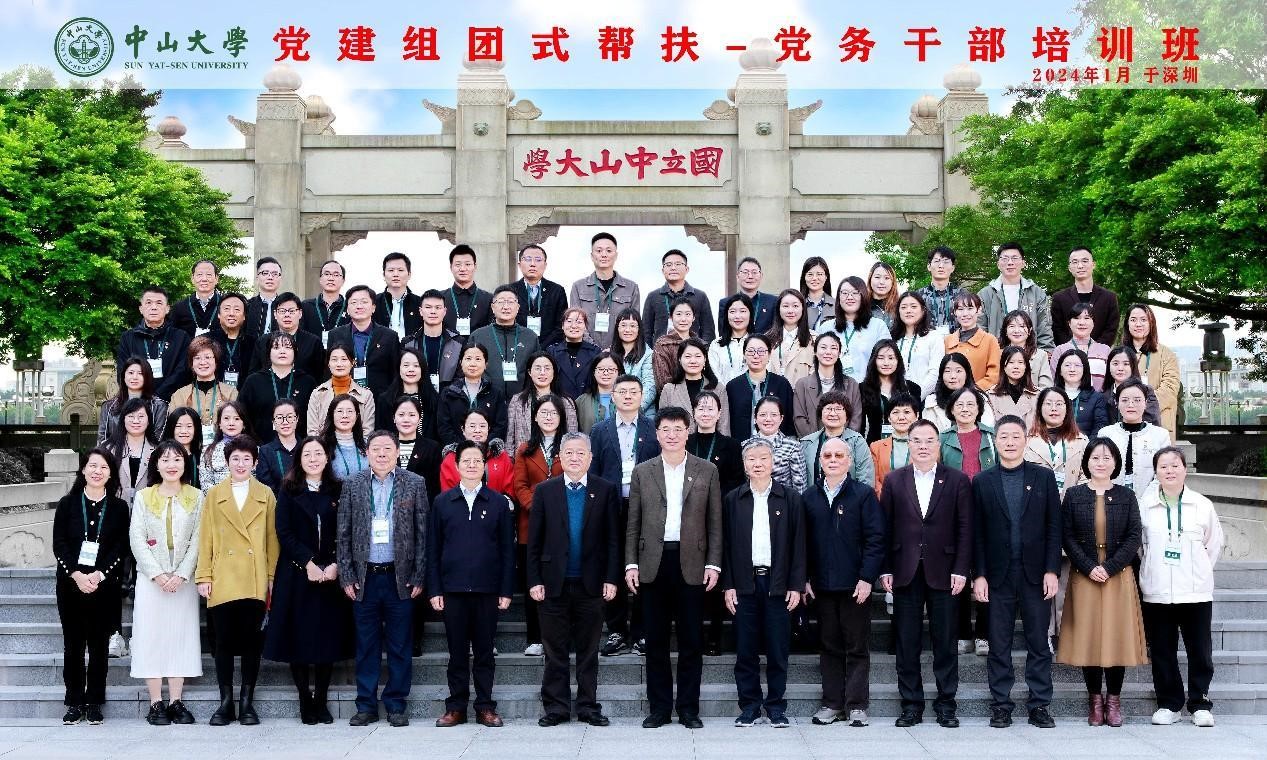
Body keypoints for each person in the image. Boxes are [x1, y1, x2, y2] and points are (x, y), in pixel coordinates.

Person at [626, 407, 723, 729]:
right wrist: (630, 563)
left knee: (691, 640)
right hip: (653, 562)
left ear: (687, 432)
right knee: (655, 641)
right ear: (657, 434)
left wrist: (713, 563)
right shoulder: (643, 471)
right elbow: (633, 522)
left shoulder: (706, 470)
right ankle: (659, 709)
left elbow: (715, 522)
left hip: (692, 562)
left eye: (678, 429)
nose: (672, 435)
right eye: (665, 429)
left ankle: (688, 709)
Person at [879, 419, 973, 729]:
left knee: (945, 642)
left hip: (945, 571)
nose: (923, 446)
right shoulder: (894, 480)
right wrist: (885, 568)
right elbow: (885, 528)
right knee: (907, 642)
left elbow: (965, 529)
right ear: (908, 444)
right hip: (905, 570)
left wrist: (961, 569)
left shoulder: (957, 480)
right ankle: (911, 705)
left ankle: (946, 704)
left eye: (929, 440)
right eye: (916, 440)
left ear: (938, 445)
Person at [971, 416, 1062, 729]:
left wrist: (1052, 570)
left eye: (1015, 436)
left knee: (1038, 642)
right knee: (998, 644)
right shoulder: (982, 481)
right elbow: (977, 533)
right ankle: (1001, 705)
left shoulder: (1043, 477)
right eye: (1004, 436)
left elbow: (1054, 527)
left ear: (1026, 440)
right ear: (995, 441)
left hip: (1036, 574)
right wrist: (979, 574)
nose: (1009, 442)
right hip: (997, 575)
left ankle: (1039, 705)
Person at [527, 432, 621, 727]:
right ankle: (556, 708)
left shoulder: (605, 490)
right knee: (554, 651)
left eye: (581, 453)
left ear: (590, 458)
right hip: (553, 583)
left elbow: (613, 540)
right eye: (569, 453)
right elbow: (534, 541)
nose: (575, 458)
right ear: (560, 457)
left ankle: (588, 707)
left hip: (591, 584)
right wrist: (534, 580)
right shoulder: (545, 490)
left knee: (588, 651)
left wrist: (612, 578)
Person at [338, 430, 430, 728]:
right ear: (366, 453)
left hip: (399, 578)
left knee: (400, 644)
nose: (381, 454)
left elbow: (422, 533)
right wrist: (346, 575)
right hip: (365, 578)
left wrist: (419, 575)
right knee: (366, 645)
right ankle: (365, 705)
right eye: (375, 448)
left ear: (397, 452)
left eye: (387, 448)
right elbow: (343, 534)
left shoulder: (414, 483)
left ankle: (396, 704)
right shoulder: (352, 484)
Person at [1056, 437, 1148, 728]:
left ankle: (1114, 701)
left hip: (1117, 576)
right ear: (1087, 462)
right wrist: (1088, 566)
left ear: (1115, 463)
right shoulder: (1074, 495)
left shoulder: (1126, 496)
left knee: (1116, 638)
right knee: (1089, 638)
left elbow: (1134, 536)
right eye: (1095, 458)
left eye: (1107, 458)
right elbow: (1067, 535)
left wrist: (1109, 567)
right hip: (1085, 576)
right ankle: (1095, 700)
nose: (1101, 463)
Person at [428, 440, 516, 728]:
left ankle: (485, 707)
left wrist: (505, 590)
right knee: (456, 653)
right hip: (452, 589)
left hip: (486, 590)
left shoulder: (498, 502)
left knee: (484, 652)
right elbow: (433, 549)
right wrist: (435, 588)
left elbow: (507, 550)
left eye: (477, 460)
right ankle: (456, 707)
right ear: (456, 465)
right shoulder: (442, 502)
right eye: (466, 460)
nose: (471, 465)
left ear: (484, 465)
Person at [195, 435, 279, 726]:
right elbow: (205, 538)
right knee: (223, 643)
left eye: (246, 459)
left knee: (252, 642)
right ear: (227, 462)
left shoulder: (266, 495)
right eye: (235, 459)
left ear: (255, 463)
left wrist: (271, 576)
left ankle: (246, 701)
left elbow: (272, 540)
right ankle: (225, 702)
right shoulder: (214, 495)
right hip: (222, 576)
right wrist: (204, 575)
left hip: (254, 577)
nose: (241, 464)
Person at [722, 438, 806, 727]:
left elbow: (799, 544)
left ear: (773, 463)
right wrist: (729, 585)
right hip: (744, 583)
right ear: (744, 465)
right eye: (751, 459)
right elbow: (725, 546)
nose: (757, 464)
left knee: (777, 649)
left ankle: (776, 707)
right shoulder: (733, 499)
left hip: (777, 584)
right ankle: (749, 707)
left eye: (763, 459)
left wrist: (796, 584)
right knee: (745, 650)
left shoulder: (790, 498)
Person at [1138, 446, 1224, 728]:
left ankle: (1200, 702)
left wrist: (1198, 569)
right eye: (1163, 466)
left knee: (1200, 650)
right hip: (1157, 590)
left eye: (1175, 465)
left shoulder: (1201, 505)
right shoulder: (1145, 506)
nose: (1170, 471)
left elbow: (1213, 544)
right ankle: (1169, 703)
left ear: (1185, 469)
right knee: (1162, 650)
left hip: (1195, 590)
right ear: (1156, 472)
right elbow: (1140, 546)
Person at [803, 437, 885, 727]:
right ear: (820, 461)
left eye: (839, 455)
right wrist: (804, 578)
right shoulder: (809, 497)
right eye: (827, 455)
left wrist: (867, 578)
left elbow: (875, 539)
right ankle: (832, 704)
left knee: (857, 647)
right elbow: (802, 543)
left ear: (849, 461)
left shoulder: (863, 495)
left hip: (855, 586)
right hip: (822, 586)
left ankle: (857, 706)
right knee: (829, 646)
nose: (833, 460)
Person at [129, 442, 203, 726]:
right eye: (165, 460)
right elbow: (136, 538)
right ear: (156, 465)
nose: (172, 465)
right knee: (151, 636)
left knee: (181, 637)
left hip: (183, 579)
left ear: (185, 464)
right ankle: (155, 702)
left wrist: (182, 574)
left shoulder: (196, 496)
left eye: (177, 459)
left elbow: (199, 539)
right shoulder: (144, 496)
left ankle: (176, 701)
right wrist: (157, 574)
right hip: (152, 579)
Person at [53, 448, 129, 727]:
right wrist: (76, 574)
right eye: (93, 466)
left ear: (110, 474)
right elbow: (59, 544)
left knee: (99, 646)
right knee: (73, 645)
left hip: (104, 586)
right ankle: (74, 702)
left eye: (104, 467)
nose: (98, 471)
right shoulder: (67, 504)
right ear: (83, 469)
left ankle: (94, 701)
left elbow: (121, 547)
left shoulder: (119, 508)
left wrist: (99, 574)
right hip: (71, 584)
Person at [590, 373, 660, 657]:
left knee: (646, 565)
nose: (628, 396)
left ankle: (642, 631)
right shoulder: (599, 430)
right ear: (613, 396)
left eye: (634, 391)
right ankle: (617, 629)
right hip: (611, 506)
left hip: (646, 506)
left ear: (642, 397)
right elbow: (594, 471)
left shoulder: (653, 428)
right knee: (613, 565)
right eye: (623, 392)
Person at [511, 395, 569, 658]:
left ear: (561, 417)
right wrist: (538, 508)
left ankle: (560, 637)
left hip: (562, 523)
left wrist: (554, 511)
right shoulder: (524, 449)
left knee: (560, 582)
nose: (548, 417)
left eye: (553, 413)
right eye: (544, 412)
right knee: (532, 582)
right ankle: (534, 638)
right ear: (535, 417)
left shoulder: (568, 447)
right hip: (530, 524)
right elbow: (519, 486)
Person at [688, 390, 742, 655]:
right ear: (693, 413)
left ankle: (715, 636)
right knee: (691, 579)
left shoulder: (731, 446)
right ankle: (694, 635)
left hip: (719, 518)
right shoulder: (686, 443)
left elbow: (736, 482)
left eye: (711, 409)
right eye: (701, 408)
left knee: (715, 577)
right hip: (689, 519)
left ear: (719, 413)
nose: (706, 413)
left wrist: (711, 496)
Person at [237, 331, 317, 443]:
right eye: (276, 347)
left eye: (288, 347)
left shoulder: (307, 382)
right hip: (261, 446)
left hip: (299, 448)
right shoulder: (253, 381)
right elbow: (242, 416)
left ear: (295, 352)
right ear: (268, 352)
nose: (282, 351)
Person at [116, 285, 191, 401]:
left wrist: (158, 397)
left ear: (167, 309)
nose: (154, 307)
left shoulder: (181, 337)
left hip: (172, 401)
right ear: (141, 309)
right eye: (148, 303)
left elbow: (182, 372)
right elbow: (123, 372)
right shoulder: (128, 338)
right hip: (136, 402)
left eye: (159, 303)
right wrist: (141, 398)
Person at [1099, 379, 1172, 495]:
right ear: (1117, 403)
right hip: (1111, 498)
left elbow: (1164, 472)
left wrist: (1147, 498)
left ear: (1145, 403)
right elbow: (1100, 470)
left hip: (1149, 499)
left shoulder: (1160, 435)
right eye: (1125, 400)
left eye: (1137, 400)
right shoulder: (1106, 434)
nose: (1131, 405)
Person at [568, 232, 641, 348]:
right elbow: (575, 323)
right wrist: (593, 349)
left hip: (619, 353)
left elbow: (633, 324)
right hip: (585, 351)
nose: (604, 255)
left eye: (609, 251)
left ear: (616, 255)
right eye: (599, 251)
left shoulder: (631, 288)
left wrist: (614, 349)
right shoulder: (578, 287)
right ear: (592, 256)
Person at [977, 242, 1055, 350]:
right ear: (998, 264)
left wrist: (1045, 351)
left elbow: (1044, 326)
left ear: (1023, 263)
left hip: (1030, 354)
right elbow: (980, 327)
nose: (1010, 262)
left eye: (1014, 258)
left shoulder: (1037, 293)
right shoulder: (985, 294)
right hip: (995, 354)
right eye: (1005, 259)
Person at [328, 285, 403, 395]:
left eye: (364, 302)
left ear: (373, 307)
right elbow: (328, 371)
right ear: (347, 309)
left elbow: (395, 374)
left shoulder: (389, 336)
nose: (359, 306)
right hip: (344, 398)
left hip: (380, 398)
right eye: (354, 302)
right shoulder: (335, 335)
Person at [1124, 304, 1182, 441]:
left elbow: (1170, 389)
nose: (1138, 324)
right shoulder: (1119, 354)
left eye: (1143, 320)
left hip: (1158, 424)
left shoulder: (1166, 354)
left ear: (1151, 323)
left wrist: (1140, 406)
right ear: (1127, 324)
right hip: (1125, 424)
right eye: (1133, 320)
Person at [470, 285, 540, 398]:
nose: (506, 307)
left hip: (522, 401)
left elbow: (536, 370)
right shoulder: (478, 336)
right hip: (486, 399)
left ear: (518, 307)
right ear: (493, 307)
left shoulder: (530, 337)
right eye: (501, 302)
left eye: (511, 302)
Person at [506, 352, 579, 457]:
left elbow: (573, 437)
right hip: (525, 459)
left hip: (556, 460)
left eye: (547, 368)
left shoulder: (566, 402)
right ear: (529, 372)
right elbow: (510, 439)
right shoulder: (518, 401)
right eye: (538, 368)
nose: (542, 373)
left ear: (554, 372)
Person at [816, 276, 889, 382]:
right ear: (839, 297)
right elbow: (817, 363)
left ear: (863, 296)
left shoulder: (878, 326)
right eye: (844, 293)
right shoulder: (826, 327)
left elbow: (887, 362)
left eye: (855, 293)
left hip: (867, 388)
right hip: (833, 389)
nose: (849, 297)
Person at [792, 332, 863, 437]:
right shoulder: (802, 385)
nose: (828, 352)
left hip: (844, 444)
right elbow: (799, 419)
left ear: (839, 353)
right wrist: (815, 442)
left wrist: (842, 442)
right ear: (815, 352)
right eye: (823, 347)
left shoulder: (852, 384)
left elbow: (855, 419)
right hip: (812, 443)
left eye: (833, 348)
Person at [436, 343, 508, 446]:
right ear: (461, 362)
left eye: (478, 359)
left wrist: (484, 447)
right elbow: (444, 427)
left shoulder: (496, 393)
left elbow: (500, 426)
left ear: (486, 364)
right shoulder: (449, 393)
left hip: (487, 451)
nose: (473, 364)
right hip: (456, 451)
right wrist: (462, 448)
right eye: (468, 359)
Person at [727, 334, 796, 441]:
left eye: (761, 351)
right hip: (741, 446)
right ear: (744, 354)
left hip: (778, 447)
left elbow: (789, 421)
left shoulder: (782, 384)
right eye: (751, 351)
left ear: (769, 354)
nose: (756, 356)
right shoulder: (733, 386)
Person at [170, 338, 238, 442]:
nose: (202, 362)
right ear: (191, 364)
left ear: (216, 361)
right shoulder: (179, 395)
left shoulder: (231, 393)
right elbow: (173, 428)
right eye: (197, 358)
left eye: (207, 357)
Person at [1025, 388, 1089, 498]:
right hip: (1036, 503)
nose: (1054, 408)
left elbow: (1086, 476)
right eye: (1048, 404)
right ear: (1039, 408)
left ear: (1067, 409)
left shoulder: (1082, 441)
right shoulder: (1027, 441)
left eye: (1059, 404)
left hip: (1071, 503)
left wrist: (1074, 501)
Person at [642, 249, 715, 346]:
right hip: (661, 352)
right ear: (663, 270)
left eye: (678, 264)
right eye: (668, 265)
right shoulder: (653, 296)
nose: (673, 268)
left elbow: (708, 331)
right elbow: (646, 332)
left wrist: (702, 351)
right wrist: (652, 352)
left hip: (692, 353)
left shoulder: (700, 296)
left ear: (687, 269)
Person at [800, 391, 873, 488]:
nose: (833, 413)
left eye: (838, 409)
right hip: (814, 496)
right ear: (821, 414)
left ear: (847, 415)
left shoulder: (857, 441)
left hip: (850, 497)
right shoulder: (807, 443)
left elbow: (866, 479)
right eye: (828, 409)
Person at [659, 338, 731, 435]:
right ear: (680, 359)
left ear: (705, 359)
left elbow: (724, 425)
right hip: (678, 442)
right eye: (688, 356)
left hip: (711, 443)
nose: (693, 361)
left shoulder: (718, 388)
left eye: (698, 356)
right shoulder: (669, 389)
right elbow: (663, 425)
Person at [247, 293, 324, 381]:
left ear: (300, 313)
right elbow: (253, 374)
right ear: (275, 314)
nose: (287, 315)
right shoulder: (263, 341)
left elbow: (318, 376)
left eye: (292, 311)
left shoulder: (313, 342)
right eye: (282, 311)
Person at [1051, 247, 1119, 347]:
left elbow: (1111, 329)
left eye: (1085, 261)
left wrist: (1095, 349)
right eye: (1075, 262)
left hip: (1100, 354)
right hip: (1068, 354)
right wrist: (1073, 350)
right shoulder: (1059, 298)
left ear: (1093, 264)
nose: (1080, 266)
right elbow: (1057, 329)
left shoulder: (1109, 297)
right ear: (1070, 268)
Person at [859, 340, 923, 443]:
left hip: (907, 444)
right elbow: (861, 425)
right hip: (873, 446)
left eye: (891, 358)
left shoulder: (912, 388)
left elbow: (918, 423)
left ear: (898, 360)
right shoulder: (862, 389)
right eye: (881, 358)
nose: (886, 363)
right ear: (874, 361)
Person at [307, 343, 376, 439]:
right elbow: (313, 432)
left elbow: (367, 433)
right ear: (328, 364)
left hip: (356, 446)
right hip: (324, 446)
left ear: (352, 362)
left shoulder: (366, 395)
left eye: (344, 359)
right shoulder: (317, 394)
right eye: (334, 359)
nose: (339, 364)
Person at [402, 289, 464, 395]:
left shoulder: (458, 342)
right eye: (428, 307)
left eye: (438, 307)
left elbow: (462, 376)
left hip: (449, 398)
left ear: (444, 311)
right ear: (421, 311)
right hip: (417, 397)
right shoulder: (408, 343)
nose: (433, 311)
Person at [438, 409, 514, 494]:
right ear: (463, 429)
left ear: (488, 429)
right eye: (472, 426)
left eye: (482, 426)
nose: (477, 430)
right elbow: (447, 495)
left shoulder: (501, 456)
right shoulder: (451, 459)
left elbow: (509, 491)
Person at [97, 357, 169, 446]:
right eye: (131, 373)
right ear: (123, 376)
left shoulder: (159, 406)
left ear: (147, 377)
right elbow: (102, 440)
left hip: (148, 453)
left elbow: (158, 441)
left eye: (140, 373)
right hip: (113, 453)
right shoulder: (108, 406)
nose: (134, 377)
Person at [508, 243, 568, 348]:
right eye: (528, 259)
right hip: (516, 348)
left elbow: (561, 326)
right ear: (519, 264)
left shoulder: (557, 291)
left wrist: (542, 348)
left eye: (538, 260)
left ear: (545, 265)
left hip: (549, 350)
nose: (532, 264)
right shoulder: (509, 291)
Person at [373, 346, 440, 437]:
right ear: (399, 368)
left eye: (416, 366)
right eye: (406, 365)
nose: (411, 369)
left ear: (422, 369)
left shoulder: (434, 400)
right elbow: (380, 434)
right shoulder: (385, 400)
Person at [923, 353, 996, 433]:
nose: (953, 376)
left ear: (967, 374)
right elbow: (928, 433)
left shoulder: (980, 398)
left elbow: (988, 428)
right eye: (947, 371)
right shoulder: (932, 402)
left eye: (958, 371)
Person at [105, 397, 158, 507]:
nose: (136, 421)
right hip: (115, 507)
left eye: (141, 416)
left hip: (148, 507)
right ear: (123, 419)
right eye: (131, 416)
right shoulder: (109, 449)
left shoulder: (158, 450)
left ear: (149, 420)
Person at [944, 291, 1001, 391]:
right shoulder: (947, 341)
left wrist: (972, 391)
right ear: (955, 312)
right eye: (960, 309)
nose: (965, 314)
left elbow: (994, 375)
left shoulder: (990, 340)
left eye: (970, 308)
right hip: (950, 396)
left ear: (979, 310)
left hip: (979, 395)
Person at [391, 396, 443, 504]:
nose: (406, 419)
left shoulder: (432, 448)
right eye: (401, 415)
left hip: (422, 507)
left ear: (419, 418)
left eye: (412, 415)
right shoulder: (386, 446)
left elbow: (435, 487)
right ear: (394, 418)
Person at [893, 291, 944, 399]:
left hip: (924, 399)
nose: (908, 310)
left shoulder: (933, 336)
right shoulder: (893, 338)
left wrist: (916, 397)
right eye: (903, 307)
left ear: (923, 310)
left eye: (913, 306)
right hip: (895, 400)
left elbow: (935, 372)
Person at [1049, 303, 1111, 390]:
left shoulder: (1105, 350)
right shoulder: (1060, 350)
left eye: (1087, 318)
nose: (1081, 323)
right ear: (1069, 323)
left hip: (1100, 398)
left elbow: (1110, 382)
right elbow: (1054, 382)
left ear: (1093, 323)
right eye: (1076, 318)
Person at [869, 393, 919, 497]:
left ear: (916, 416)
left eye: (907, 412)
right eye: (895, 412)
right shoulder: (876, 447)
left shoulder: (925, 446)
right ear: (889, 418)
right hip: (884, 501)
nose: (901, 417)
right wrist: (887, 500)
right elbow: (874, 480)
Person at [546, 308, 603, 400]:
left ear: (585, 326)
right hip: (559, 403)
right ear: (562, 326)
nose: (574, 326)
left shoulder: (595, 352)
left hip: (586, 403)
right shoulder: (552, 352)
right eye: (569, 321)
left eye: (579, 322)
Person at [610, 308, 658, 415]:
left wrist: (633, 410)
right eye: (623, 325)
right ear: (617, 328)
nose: (628, 330)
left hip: (642, 412)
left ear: (639, 329)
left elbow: (650, 387)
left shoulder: (648, 354)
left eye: (632, 326)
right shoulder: (609, 354)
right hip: (613, 410)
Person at [766, 289, 815, 387]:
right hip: (771, 394)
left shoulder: (814, 339)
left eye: (795, 306)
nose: (790, 311)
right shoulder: (766, 339)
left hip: (801, 394)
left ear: (803, 309)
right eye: (785, 306)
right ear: (778, 309)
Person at [442, 244, 493, 337]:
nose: (462, 269)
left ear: (475, 266)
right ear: (451, 267)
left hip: (479, 345)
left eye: (468, 264)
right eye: (458, 265)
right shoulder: (441, 298)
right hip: (447, 346)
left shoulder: (489, 299)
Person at [1056, 349, 1109, 439]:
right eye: (1067, 365)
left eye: (1077, 365)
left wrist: (1087, 445)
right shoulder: (1051, 396)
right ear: (1060, 370)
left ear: (1085, 370)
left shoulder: (1097, 398)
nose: (1072, 369)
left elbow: (1100, 428)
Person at [200, 401, 251, 494]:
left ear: (244, 424)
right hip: (218, 500)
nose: (231, 423)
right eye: (226, 418)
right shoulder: (208, 451)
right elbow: (206, 484)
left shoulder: (255, 450)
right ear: (219, 423)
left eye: (236, 419)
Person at [1103, 345, 1162, 425]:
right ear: (1108, 366)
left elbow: (1153, 424)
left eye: (1126, 364)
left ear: (1133, 366)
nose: (1120, 368)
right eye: (1115, 363)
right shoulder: (1103, 396)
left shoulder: (1146, 392)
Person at [208, 292, 255, 389]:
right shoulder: (205, 341)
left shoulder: (254, 344)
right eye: (226, 309)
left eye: (237, 309)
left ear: (244, 316)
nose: (231, 313)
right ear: (219, 314)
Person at [717, 257, 776, 335]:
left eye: (754, 272)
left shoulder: (773, 301)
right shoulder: (725, 303)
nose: (750, 276)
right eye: (745, 272)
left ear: (761, 276)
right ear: (737, 276)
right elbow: (723, 333)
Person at [915, 246, 967, 335]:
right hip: (927, 341)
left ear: (953, 268)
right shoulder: (918, 296)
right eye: (936, 261)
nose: (941, 266)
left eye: (946, 262)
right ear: (929, 266)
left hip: (958, 341)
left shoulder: (963, 295)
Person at [300, 260, 351, 347]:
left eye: (336, 275)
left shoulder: (350, 307)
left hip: (341, 355)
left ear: (343, 281)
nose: (331, 278)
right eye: (327, 274)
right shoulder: (306, 306)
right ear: (320, 279)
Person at [988, 345, 1040, 428]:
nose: (1016, 367)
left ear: (1026, 366)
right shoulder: (991, 396)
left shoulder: (1038, 395)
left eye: (1020, 362)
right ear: (1003, 366)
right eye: (1011, 362)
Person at [373, 251, 421, 340]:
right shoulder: (373, 302)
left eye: (400, 270)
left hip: (411, 348)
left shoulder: (420, 303)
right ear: (384, 275)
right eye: (391, 270)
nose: (395, 274)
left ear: (409, 274)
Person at [651, 297, 697, 389]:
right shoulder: (663, 344)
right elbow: (662, 381)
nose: (683, 319)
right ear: (671, 317)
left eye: (688, 314)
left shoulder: (700, 344)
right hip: (672, 396)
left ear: (693, 318)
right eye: (678, 314)